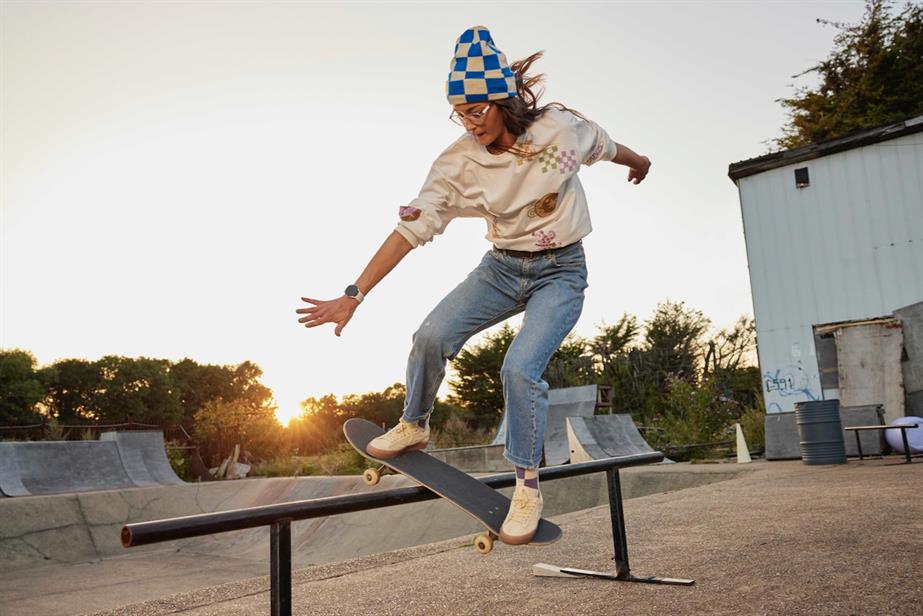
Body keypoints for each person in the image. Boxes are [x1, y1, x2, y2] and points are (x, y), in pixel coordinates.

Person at [296, 26, 650, 545]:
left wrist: (639, 163)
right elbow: (410, 228)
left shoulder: (560, 131)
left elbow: (609, 146)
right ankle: (415, 422)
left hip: (562, 272)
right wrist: (355, 293)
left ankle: (526, 487)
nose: (470, 123)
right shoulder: (458, 164)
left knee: (519, 369)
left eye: (478, 111)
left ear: (504, 100)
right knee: (430, 335)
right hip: (502, 269)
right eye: (460, 113)